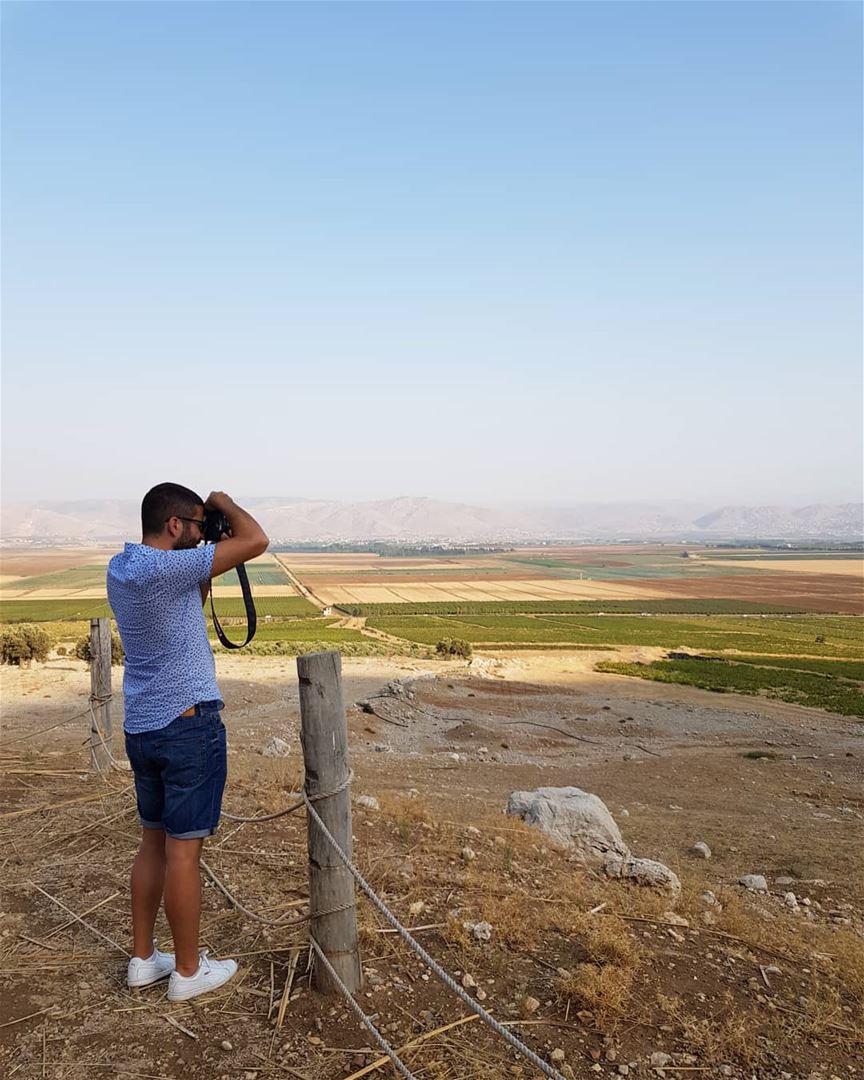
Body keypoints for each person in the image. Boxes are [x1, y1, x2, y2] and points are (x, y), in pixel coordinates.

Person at [107, 483, 268, 1000]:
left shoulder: (122, 569)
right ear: (176, 525)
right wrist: (221, 502)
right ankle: (189, 972)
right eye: (197, 525)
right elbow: (257, 539)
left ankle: (143, 960)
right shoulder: (169, 568)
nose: (203, 535)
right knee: (183, 854)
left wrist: (202, 545)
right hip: (187, 725)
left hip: (143, 727)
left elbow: (189, 604)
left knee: (152, 841)